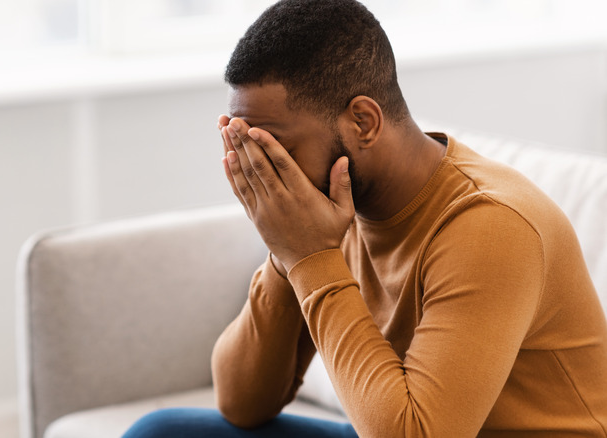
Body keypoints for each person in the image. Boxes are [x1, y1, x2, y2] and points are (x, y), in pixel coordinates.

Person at [123, 0, 607, 436]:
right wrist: (284, 254)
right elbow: (241, 403)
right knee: (162, 431)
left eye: (277, 149)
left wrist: (311, 257)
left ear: (363, 122)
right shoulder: (330, 206)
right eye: (249, 148)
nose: (264, 174)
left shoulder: (492, 225)